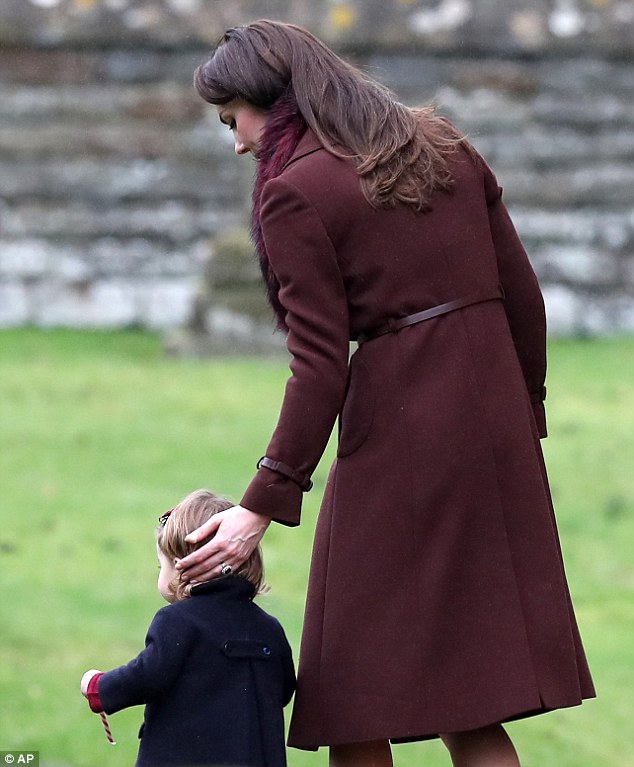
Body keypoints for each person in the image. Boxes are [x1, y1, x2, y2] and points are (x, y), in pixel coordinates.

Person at [176, 19, 595, 767]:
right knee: (468, 697)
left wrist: (261, 504)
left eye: (232, 118)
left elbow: (318, 365)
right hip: (493, 424)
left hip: (402, 431)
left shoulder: (295, 192)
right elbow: (521, 295)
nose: (235, 141)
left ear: (271, 101)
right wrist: (519, 418)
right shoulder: (445, 145)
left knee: (351, 691)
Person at [80, 489, 296, 767]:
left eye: (160, 564)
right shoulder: (269, 629)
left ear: (185, 566)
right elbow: (284, 689)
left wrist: (98, 687)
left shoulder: (177, 621)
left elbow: (149, 674)